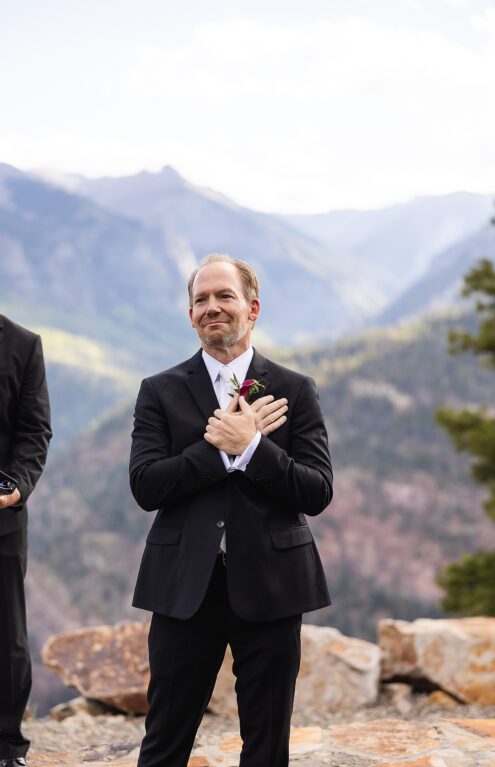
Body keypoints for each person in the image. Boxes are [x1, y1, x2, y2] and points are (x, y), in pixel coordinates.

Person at [130, 253, 333, 766]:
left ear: (252, 308)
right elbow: (146, 485)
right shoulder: (159, 391)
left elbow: (316, 490)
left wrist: (252, 449)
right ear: (190, 313)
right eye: (201, 299)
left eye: (225, 296)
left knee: (266, 744)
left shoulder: (293, 389)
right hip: (183, 586)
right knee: (164, 741)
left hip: (272, 582)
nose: (212, 307)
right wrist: (221, 451)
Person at [0, 314, 52, 767]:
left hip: (1, 518)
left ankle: (7, 748)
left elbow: (34, 430)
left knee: (7, 637)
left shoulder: (22, 344)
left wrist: (15, 486)